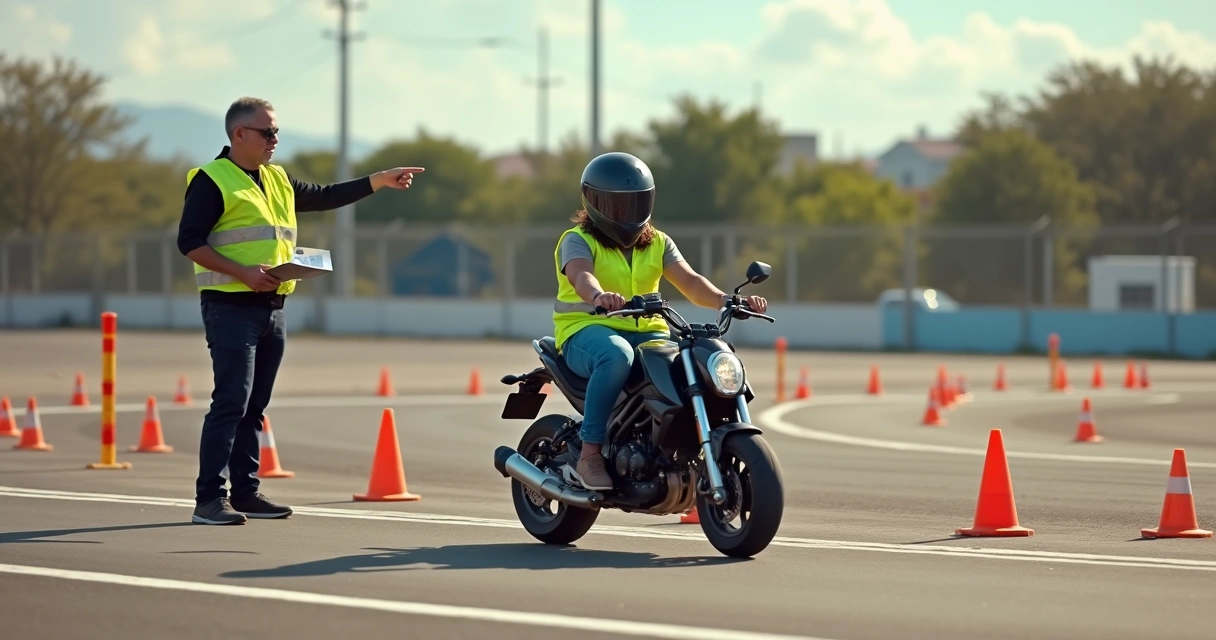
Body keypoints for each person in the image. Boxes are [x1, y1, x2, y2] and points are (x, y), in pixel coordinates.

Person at [176, 96, 424, 525]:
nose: (275, 139)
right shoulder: (212, 180)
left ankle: (246, 492)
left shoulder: (276, 179)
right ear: (239, 134)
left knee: (255, 406)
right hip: (230, 306)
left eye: (276, 131)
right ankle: (209, 500)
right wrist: (242, 272)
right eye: (266, 132)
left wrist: (378, 180)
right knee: (230, 401)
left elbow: (326, 196)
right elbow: (189, 242)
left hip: (273, 307)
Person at [552, 151, 767, 491]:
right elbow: (581, 277)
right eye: (617, 206)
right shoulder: (578, 240)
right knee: (616, 355)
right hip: (587, 331)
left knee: (691, 362)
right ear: (595, 203)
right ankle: (589, 453)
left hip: (650, 332)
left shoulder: (658, 242)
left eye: (635, 205)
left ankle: (677, 449)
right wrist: (598, 297)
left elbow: (692, 281)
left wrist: (727, 300)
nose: (627, 214)